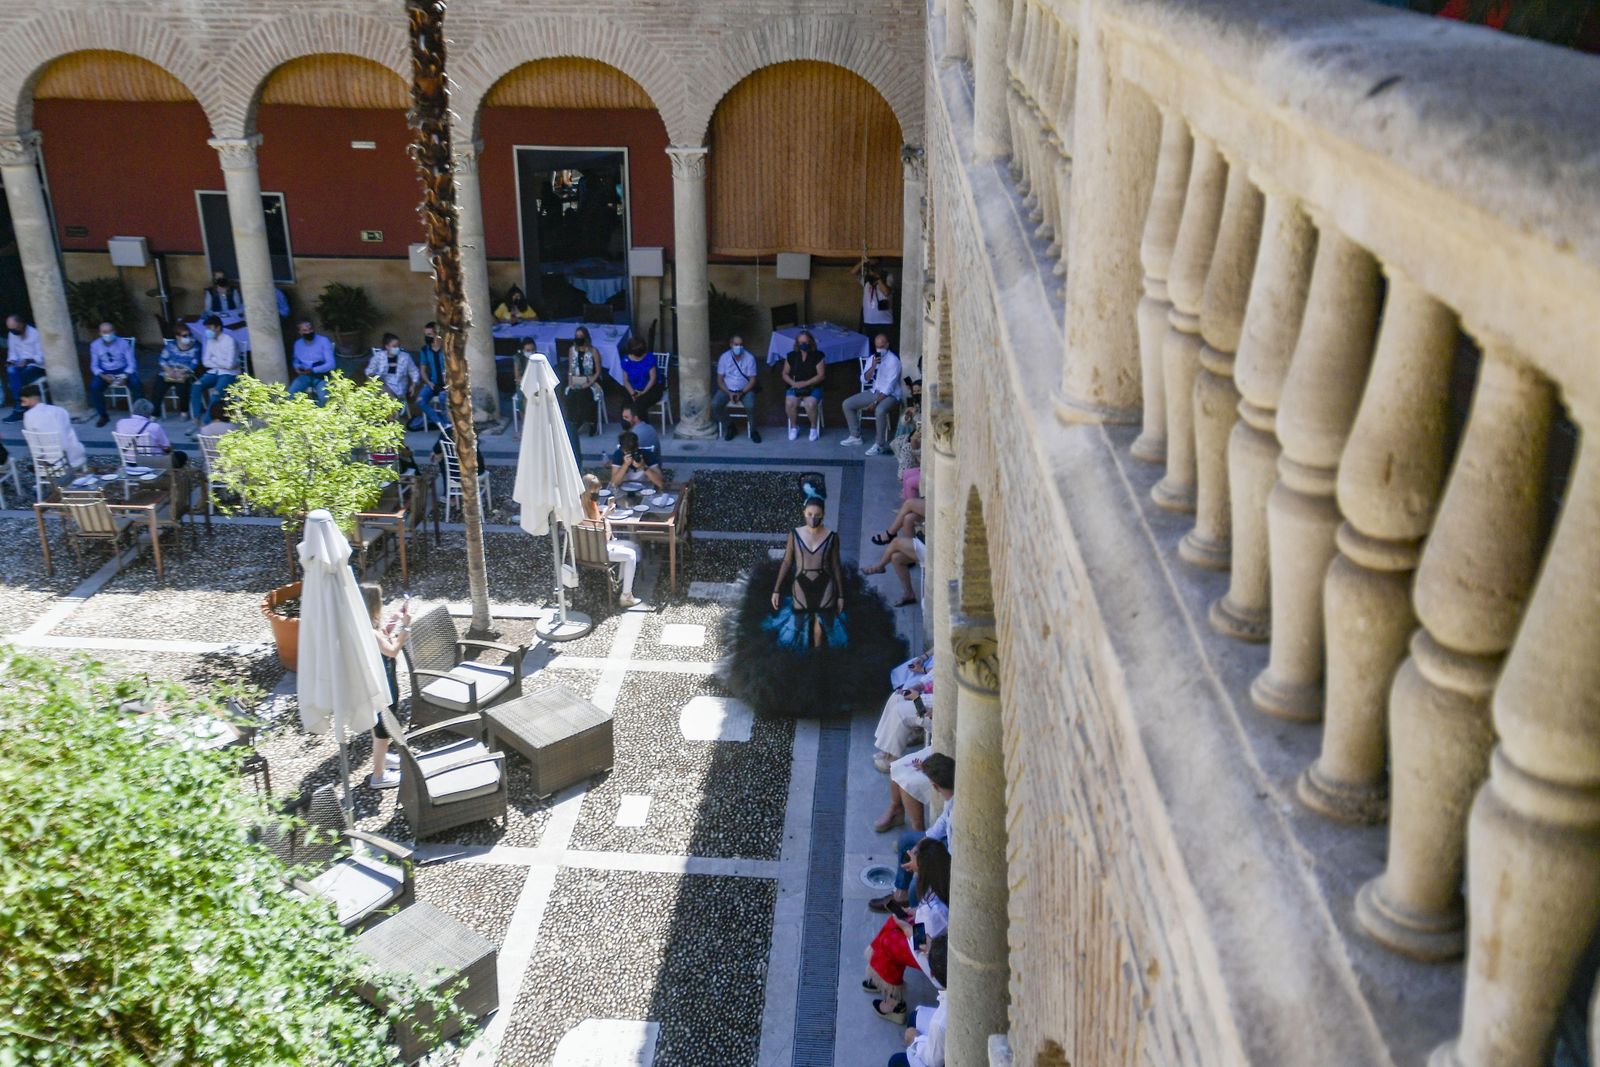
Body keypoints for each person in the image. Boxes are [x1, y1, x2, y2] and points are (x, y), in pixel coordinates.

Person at [865, 837, 950, 1025]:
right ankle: (878, 973)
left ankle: (894, 1004)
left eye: (915, 859)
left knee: (889, 942)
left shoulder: (931, 910)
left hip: (933, 960)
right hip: (933, 940)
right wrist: (912, 913)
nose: (911, 859)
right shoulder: (942, 886)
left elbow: (921, 942)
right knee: (893, 922)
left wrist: (906, 927)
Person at [768, 476, 847, 649]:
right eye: (810, 514)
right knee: (797, 622)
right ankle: (795, 659)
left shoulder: (832, 536)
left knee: (826, 622)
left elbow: (835, 565)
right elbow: (787, 561)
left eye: (817, 515)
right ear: (804, 513)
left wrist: (841, 595)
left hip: (825, 582)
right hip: (800, 582)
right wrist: (776, 589)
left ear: (823, 515)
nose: (813, 519)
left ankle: (819, 658)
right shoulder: (794, 534)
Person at [871, 752, 955, 913]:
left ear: (935, 786)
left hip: (950, 857)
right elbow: (943, 821)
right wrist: (922, 842)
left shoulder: (958, 810)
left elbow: (948, 857)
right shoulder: (952, 798)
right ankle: (900, 896)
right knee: (906, 841)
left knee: (914, 892)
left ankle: (914, 922)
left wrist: (922, 863)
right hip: (946, 842)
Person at [360, 584, 408, 789]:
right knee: (383, 730)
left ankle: (382, 758)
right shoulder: (372, 633)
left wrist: (395, 619)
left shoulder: (363, 627)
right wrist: (405, 628)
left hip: (372, 684)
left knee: (377, 726)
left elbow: (383, 635)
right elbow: (392, 650)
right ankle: (378, 776)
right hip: (384, 685)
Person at [581, 473, 642, 607]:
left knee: (634, 547)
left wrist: (604, 514)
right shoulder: (582, 510)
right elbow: (595, 528)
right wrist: (606, 514)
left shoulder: (587, 504)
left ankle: (620, 584)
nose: (596, 494)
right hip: (597, 550)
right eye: (594, 492)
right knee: (631, 555)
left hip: (597, 545)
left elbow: (595, 525)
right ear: (587, 491)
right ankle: (626, 596)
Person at [893, 935, 948, 1067]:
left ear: (932, 974)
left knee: (895, 1062)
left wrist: (915, 1040)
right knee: (914, 1017)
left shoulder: (940, 1023)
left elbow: (934, 1061)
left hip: (940, 1054)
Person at [842, 334, 902, 454]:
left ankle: (880, 444)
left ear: (887, 345)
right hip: (875, 391)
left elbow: (889, 388)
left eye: (882, 346)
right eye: (877, 347)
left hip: (891, 396)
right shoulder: (872, 358)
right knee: (847, 404)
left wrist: (875, 402)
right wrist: (873, 366)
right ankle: (855, 436)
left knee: (879, 410)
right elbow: (864, 380)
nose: (880, 349)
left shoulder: (894, 361)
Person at [189, 315, 240, 432]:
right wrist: (219, 363)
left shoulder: (229, 341)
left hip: (229, 373)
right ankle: (196, 419)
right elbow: (205, 362)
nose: (207, 331)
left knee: (216, 393)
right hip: (214, 372)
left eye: (209, 327)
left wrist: (215, 361)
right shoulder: (210, 341)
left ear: (218, 327)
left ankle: (206, 423)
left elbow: (230, 365)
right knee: (196, 385)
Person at [872, 675, 933, 771]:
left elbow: (931, 708)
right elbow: (931, 677)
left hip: (934, 712)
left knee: (900, 711)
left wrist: (916, 697)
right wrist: (913, 689)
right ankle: (885, 748)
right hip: (924, 699)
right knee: (897, 697)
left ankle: (892, 758)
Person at [20, 383, 85, 471]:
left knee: (38, 446)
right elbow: (68, 432)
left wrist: (38, 459)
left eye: (24, 402)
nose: (22, 405)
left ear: (32, 399)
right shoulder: (60, 410)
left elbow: (34, 443)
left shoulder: (28, 416)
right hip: (75, 455)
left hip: (53, 461)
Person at [88, 322, 140, 427]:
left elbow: (131, 363)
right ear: (100, 333)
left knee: (136, 384)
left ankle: (139, 415)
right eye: (104, 332)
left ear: (114, 331)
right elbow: (94, 365)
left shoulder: (123, 343)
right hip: (105, 371)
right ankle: (103, 415)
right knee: (94, 387)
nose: (108, 334)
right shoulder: (95, 345)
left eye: (110, 331)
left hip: (123, 369)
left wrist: (125, 375)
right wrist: (103, 376)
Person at [711, 334, 762, 442]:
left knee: (751, 405)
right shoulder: (724, 357)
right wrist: (729, 392)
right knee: (715, 405)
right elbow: (719, 380)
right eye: (736, 344)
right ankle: (730, 426)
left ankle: (753, 430)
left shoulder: (749, 358)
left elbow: (752, 380)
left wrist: (742, 393)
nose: (739, 347)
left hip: (745, 389)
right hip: (726, 389)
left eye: (741, 345)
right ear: (731, 345)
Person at [115, 399, 186, 469]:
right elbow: (167, 448)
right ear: (149, 412)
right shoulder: (154, 427)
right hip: (151, 462)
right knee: (181, 455)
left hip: (129, 461)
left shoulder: (120, 423)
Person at [782, 330, 826, 441]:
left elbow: (821, 375)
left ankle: (813, 428)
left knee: (810, 403)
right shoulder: (791, 356)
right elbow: (785, 373)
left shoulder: (818, 355)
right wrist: (793, 383)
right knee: (790, 402)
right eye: (801, 342)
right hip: (795, 386)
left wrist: (805, 383)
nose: (803, 345)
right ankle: (794, 427)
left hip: (813, 386)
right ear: (797, 343)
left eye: (805, 342)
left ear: (810, 342)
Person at [562, 327, 602, 446]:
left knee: (585, 394)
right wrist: (570, 382)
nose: (579, 338)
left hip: (590, 379)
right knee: (570, 394)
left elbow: (598, 371)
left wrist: (588, 383)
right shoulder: (572, 350)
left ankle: (591, 421)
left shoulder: (593, 351)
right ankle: (574, 421)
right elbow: (570, 369)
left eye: (581, 336)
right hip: (575, 379)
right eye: (577, 336)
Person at [864, 531, 923, 608]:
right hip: (925, 542)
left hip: (931, 549)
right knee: (896, 558)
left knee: (896, 542)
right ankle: (909, 594)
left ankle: (879, 566)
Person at [366, 333, 420, 414]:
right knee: (374, 384)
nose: (397, 348)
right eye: (394, 346)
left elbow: (414, 372)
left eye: (398, 345)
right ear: (387, 346)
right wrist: (376, 376)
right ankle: (393, 409)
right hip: (383, 385)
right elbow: (369, 371)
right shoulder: (379, 356)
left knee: (381, 394)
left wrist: (413, 385)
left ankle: (392, 411)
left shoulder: (405, 357)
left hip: (398, 388)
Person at [4, 315, 45, 421]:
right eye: (10, 329)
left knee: (18, 379)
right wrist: (11, 361)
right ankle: (23, 406)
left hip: (36, 365)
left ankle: (19, 409)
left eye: (14, 328)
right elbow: (12, 353)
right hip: (20, 365)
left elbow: (41, 356)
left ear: (21, 324)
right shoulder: (12, 334)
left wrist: (28, 361)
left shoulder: (35, 333)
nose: (13, 331)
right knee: (11, 370)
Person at [287, 319, 336, 403]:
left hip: (321, 375)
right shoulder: (298, 344)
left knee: (324, 399)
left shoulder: (323, 341)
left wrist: (313, 370)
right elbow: (295, 360)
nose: (309, 332)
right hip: (305, 375)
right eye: (305, 330)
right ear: (300, 332)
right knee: (289, 394)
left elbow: (331, 364)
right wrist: (297, 368)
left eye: (310, 329)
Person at [414, 321, 449, 430]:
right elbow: (423, 371)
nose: (427, 337)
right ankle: (442, 423)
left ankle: (448, 422)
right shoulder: (425, 350)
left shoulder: (446, 349)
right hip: (432, 383)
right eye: (426, 335)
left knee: (443, 397)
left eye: (429, 335)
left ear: (436, 334)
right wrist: (429, 383)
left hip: (446, 384)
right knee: (420, 400)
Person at [858, 257, 896, 348]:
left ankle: (885, 362)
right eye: (872, 267)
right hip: (869, 320)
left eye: (876, 266)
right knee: (872, 347)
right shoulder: (867, 279)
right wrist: (862, 262)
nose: (874, 268)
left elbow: (886, 292)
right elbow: (852, 272)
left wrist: (878, 278)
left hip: (885, 321)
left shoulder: (887, 277)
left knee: (884, 347)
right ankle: (875, 362)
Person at [618, 340, 662, 417]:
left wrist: (643, 392)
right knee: (625, 407)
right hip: (632, 388)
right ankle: (628, 427)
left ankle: (642, 427)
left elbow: (653, 378)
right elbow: (625, 380)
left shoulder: (650, 358)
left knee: (639, 405)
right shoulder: (625, 360)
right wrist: (633, 394)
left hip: (650, 388)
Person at [157, 323, 200, 398]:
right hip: (169, 372)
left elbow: (194, 364)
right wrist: (168, 369)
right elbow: (162, 359)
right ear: (177, 337)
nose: (188, 337)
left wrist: (182, 371)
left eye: (189, 335)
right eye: (185, 336)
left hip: (184, 373)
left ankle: (184, 409)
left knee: (183, 390)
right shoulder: (171, 346)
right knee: (158, 388)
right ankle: (156, 409)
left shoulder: (195, 347)